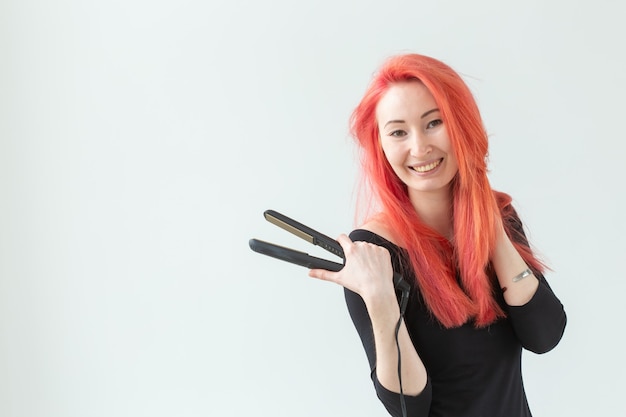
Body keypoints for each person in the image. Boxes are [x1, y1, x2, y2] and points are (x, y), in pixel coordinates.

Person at [308, 53, 567, 417]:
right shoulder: (372, 255)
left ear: (461, 124)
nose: (419, 147)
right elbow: (408, 407)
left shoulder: (499, 215)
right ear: (380, 145)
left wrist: (490, 229)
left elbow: (544, 336)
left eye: (434, 123)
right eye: (398, 132)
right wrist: (380, 298)